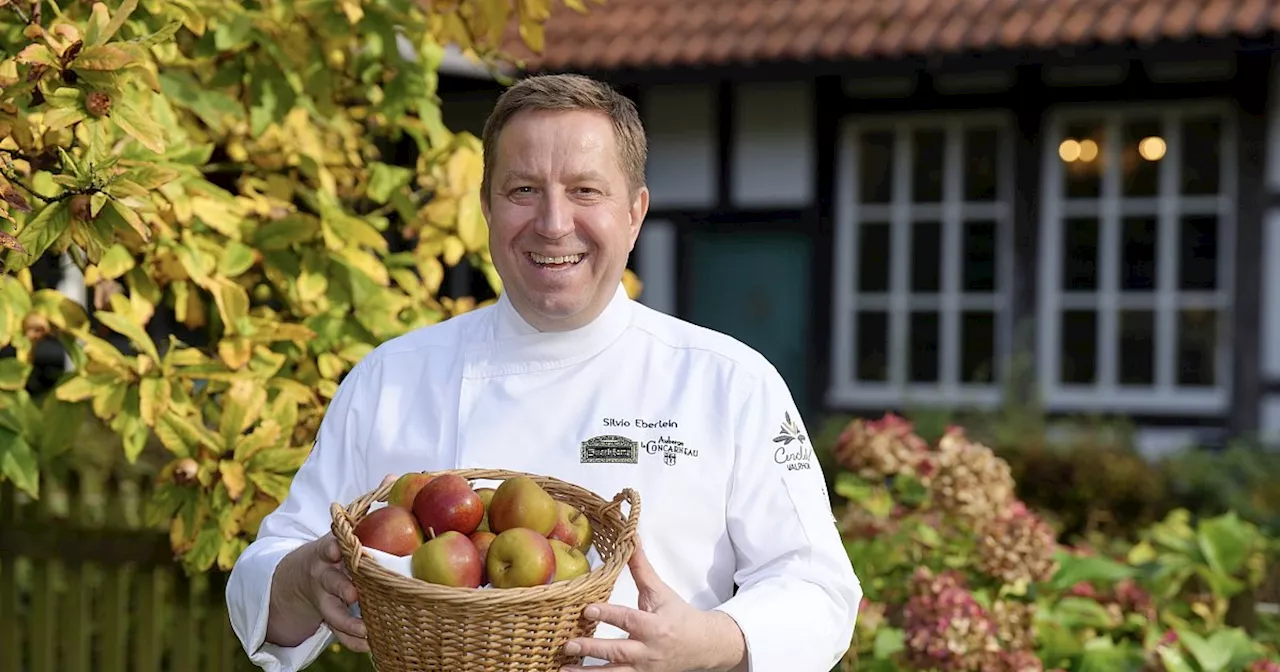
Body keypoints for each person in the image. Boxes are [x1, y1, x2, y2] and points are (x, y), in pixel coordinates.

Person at [225, 72, 862, 671]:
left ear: (636, 212)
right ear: (487, 207)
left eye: (585, 190)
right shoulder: (391, 378)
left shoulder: (731, 383)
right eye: (523, 189)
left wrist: (711, 642)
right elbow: (262, 588)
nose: (554, 223)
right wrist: (310, 578)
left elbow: (819, 588)